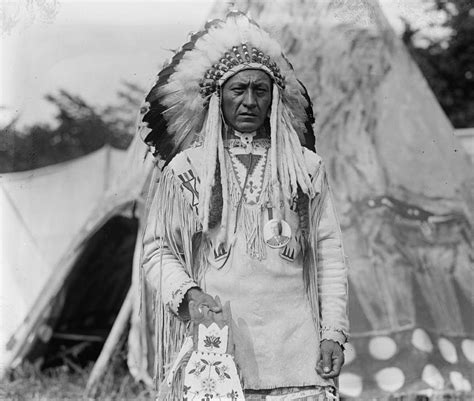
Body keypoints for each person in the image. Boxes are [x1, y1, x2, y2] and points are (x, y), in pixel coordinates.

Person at [139, 11, 349, 400]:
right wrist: (188, 294)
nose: (250, 101)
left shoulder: (305, 167)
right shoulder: (187, 170)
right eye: (238, 90)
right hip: (217, 348)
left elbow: (328, 254)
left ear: (274, 97)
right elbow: (157, 249)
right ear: (218, 98)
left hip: (296, 351)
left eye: (260, 90)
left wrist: (334, 333)